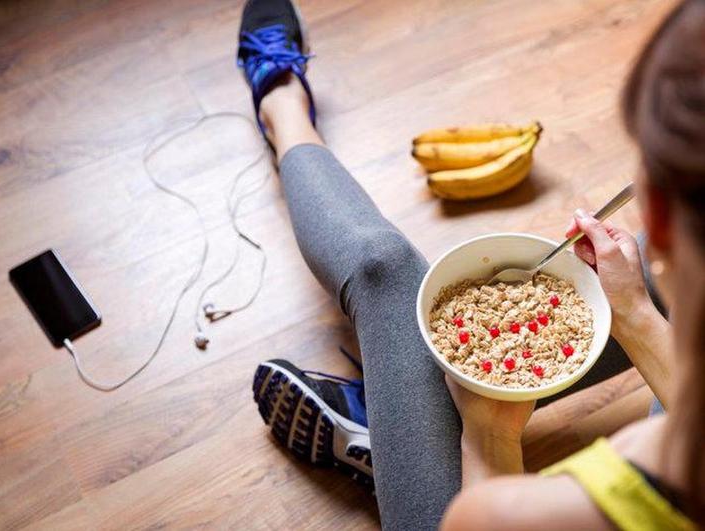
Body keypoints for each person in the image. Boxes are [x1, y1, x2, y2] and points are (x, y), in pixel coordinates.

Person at [238, 0, 703, 529]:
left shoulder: (538, 513)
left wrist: (489, 434)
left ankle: (282, 103)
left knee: (382, 269)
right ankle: (399, 429)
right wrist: (636, 314)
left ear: (657, 211)